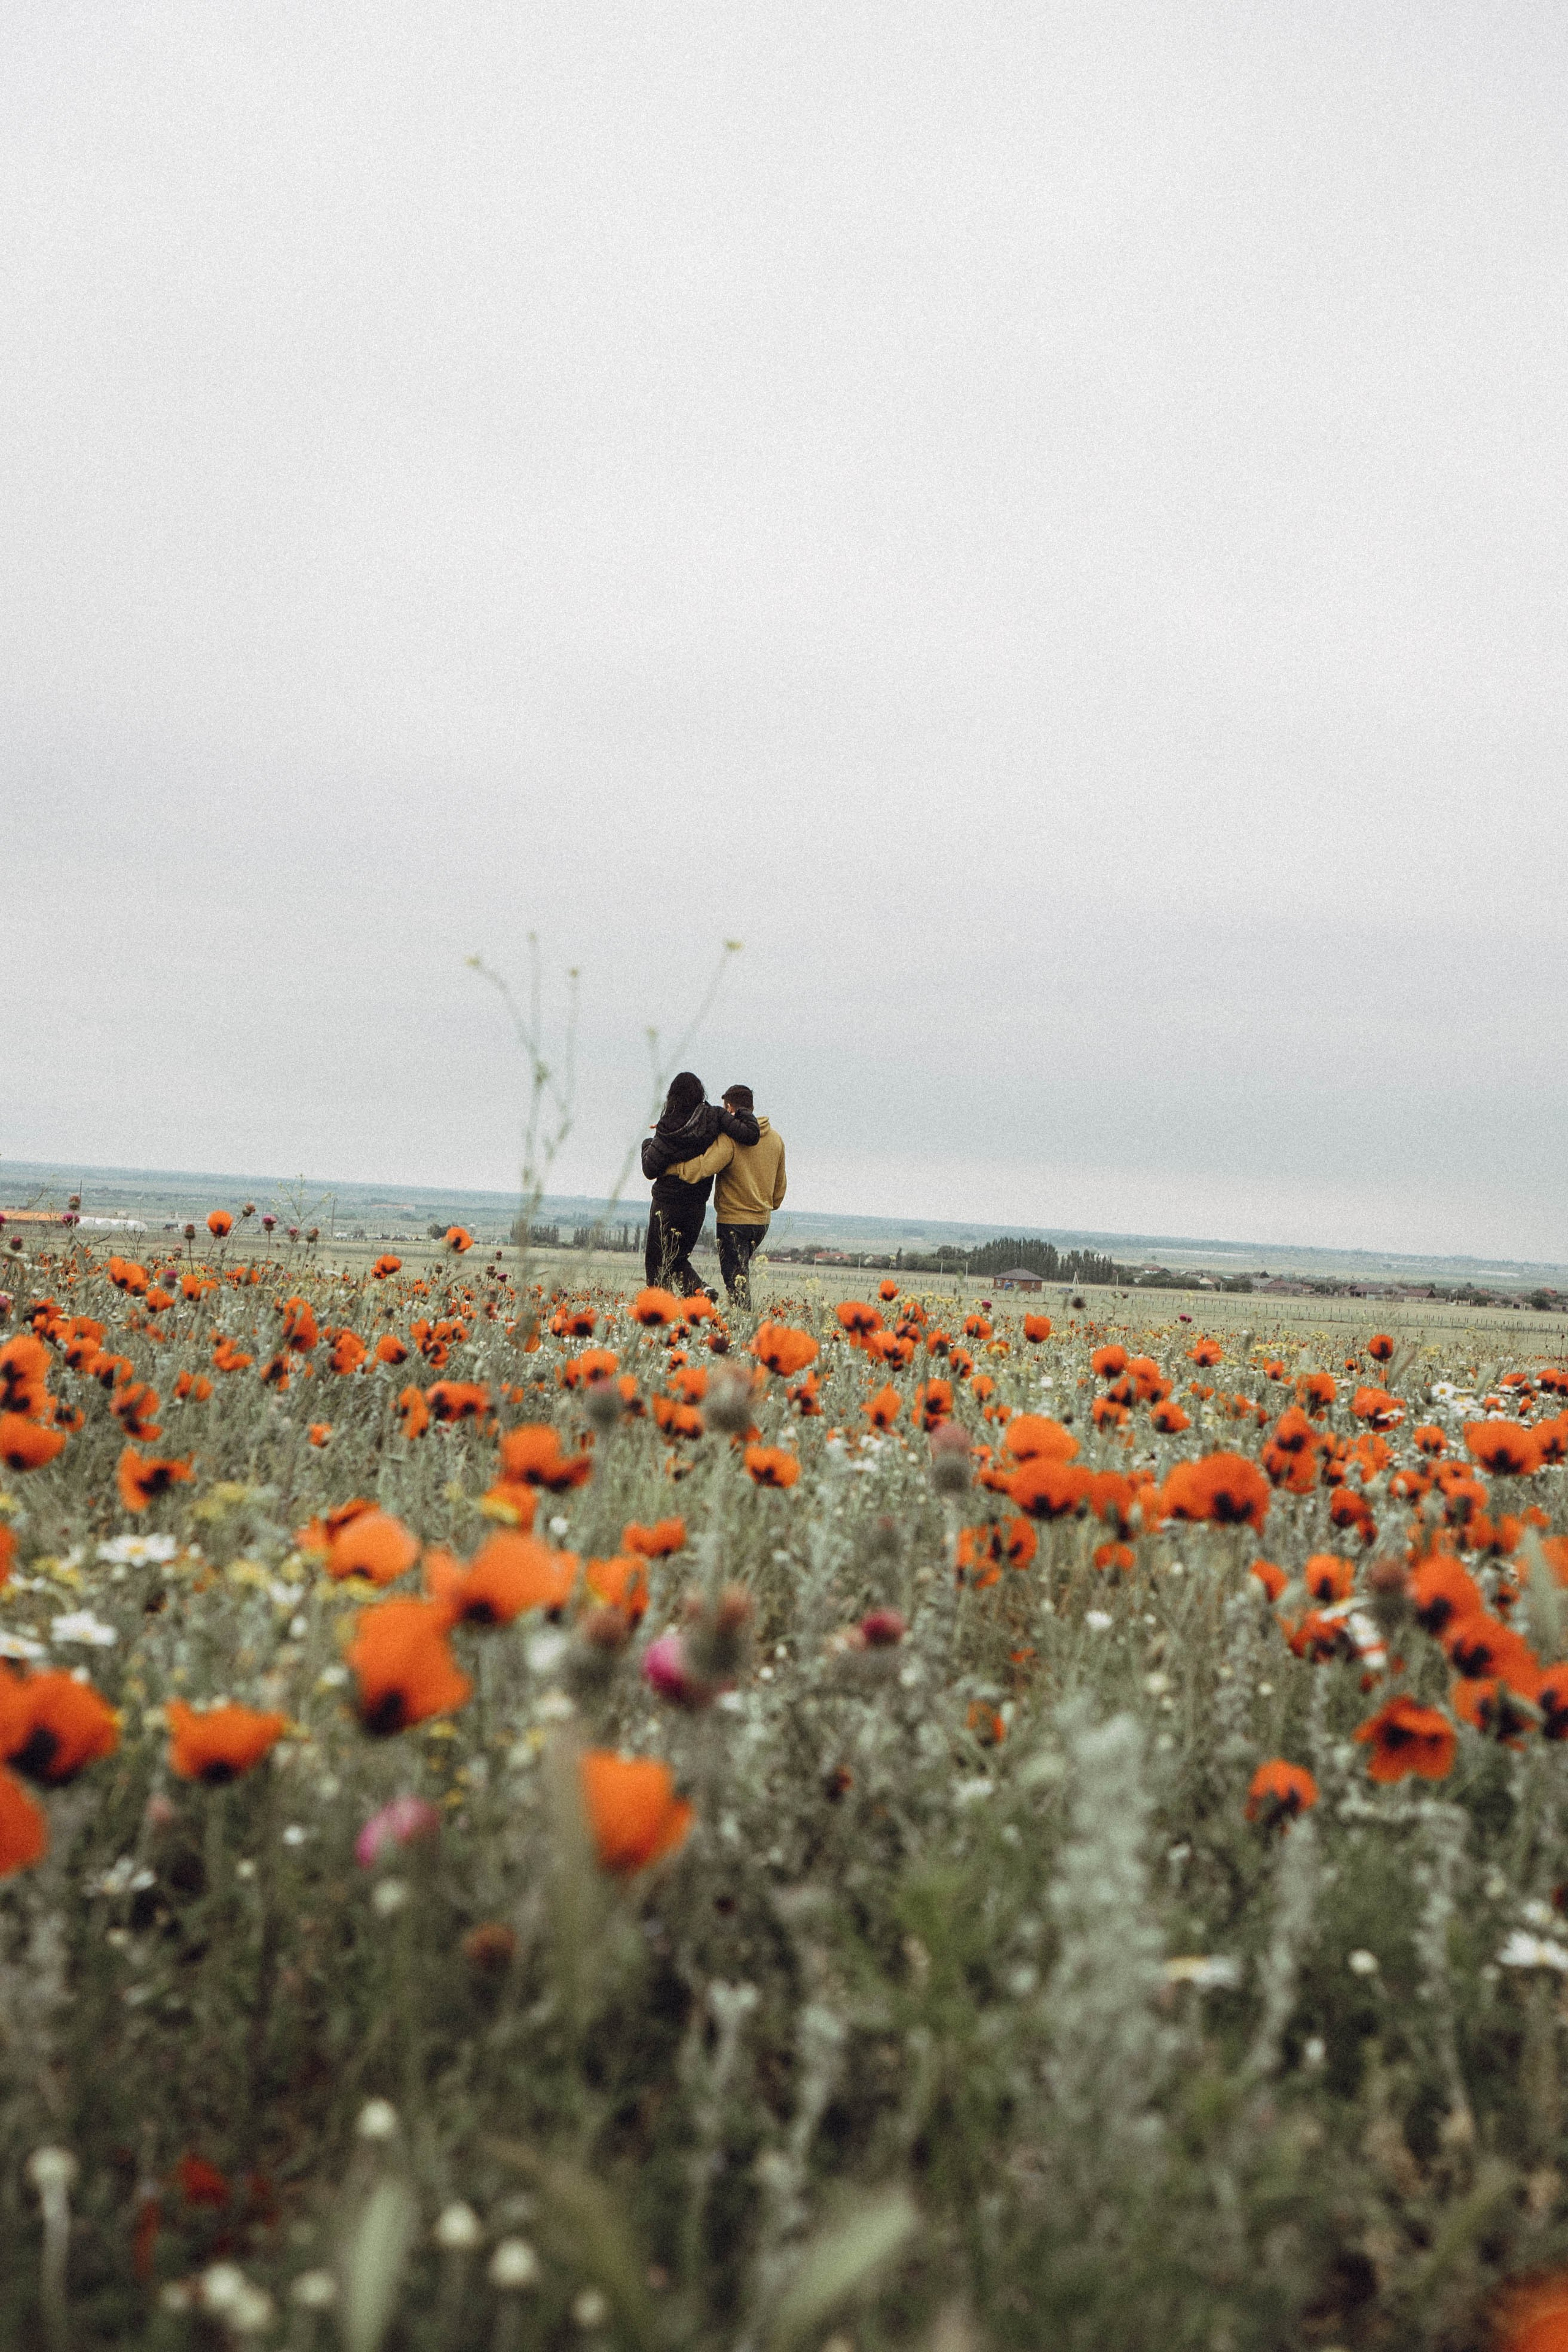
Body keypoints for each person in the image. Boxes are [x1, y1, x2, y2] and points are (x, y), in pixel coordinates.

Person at [639, 1073, 760, 1297]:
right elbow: (751, 1135)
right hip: (696, 1206)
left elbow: (649, 1169)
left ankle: (658, 1312)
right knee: (678, 1259)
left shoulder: (667, 1127)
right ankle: (699, 1294)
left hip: (666, 1204)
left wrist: (649, 1143)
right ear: (700, 1093)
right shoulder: (715, 1116)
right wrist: (741, 1110)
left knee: (657, 1262)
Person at [668, 1084, 785, 1308]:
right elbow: (779, 1190)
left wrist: (670, 1168)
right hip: (761, 1223)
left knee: (737, 1287)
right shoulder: (776, 1140)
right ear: (752, 1106)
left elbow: (703, 1168)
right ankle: (741, 1327)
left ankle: (743, 1333)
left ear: (729, 1108)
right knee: (740, 1277)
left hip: (733, 1222)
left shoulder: (731, 1139)